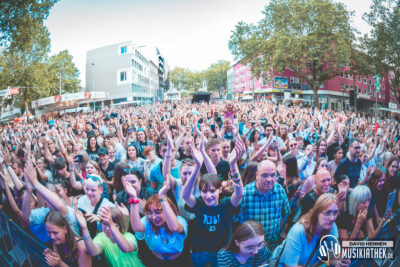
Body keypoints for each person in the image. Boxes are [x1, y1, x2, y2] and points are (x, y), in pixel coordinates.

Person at [182, 134, 245, 267]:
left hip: (222, 252)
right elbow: (186, 196)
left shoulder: (226, 204)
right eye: (204, 191)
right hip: (200, 252)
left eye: (212, 191)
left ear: (220, 190)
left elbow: (239, 193)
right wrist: (197, 167)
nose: (208, 195)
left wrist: (233, 164)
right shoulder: (199, 203)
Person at [125, 173, 191, 267]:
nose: (153, 217)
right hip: (155, 262)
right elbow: (136, 227)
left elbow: (174, 227)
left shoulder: (179, 220)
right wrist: (134, 198)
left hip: (179, 262)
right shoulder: (148, 222)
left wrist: (162, 197)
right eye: (150, 213)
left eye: (158, 212)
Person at [279, 193, 349, 267]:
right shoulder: (298, 231)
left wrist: (337, 260)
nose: (332, 218)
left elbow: (335, 252)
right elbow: (290, 265)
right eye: (327, 213)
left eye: (335, 213)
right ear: (317, 213)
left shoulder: (332, 226)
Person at [240, 160, 290, 249]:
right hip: (251, 247)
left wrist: (278, 231)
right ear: (256, 175)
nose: (269, 179)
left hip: (272, 244)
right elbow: (238, 222)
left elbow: (285, 213)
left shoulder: (280, 191)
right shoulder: (245, 193)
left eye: (273, 175)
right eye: (264, 175)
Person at [75, 206, 144, 267]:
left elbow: (126, 248)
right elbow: (93, 252)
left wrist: (111, 225)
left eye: (114, 225)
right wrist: (84, 228)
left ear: (120, 225)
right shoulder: (101, 237)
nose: (107, 229)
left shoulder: (129, 236)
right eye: (104, 224)